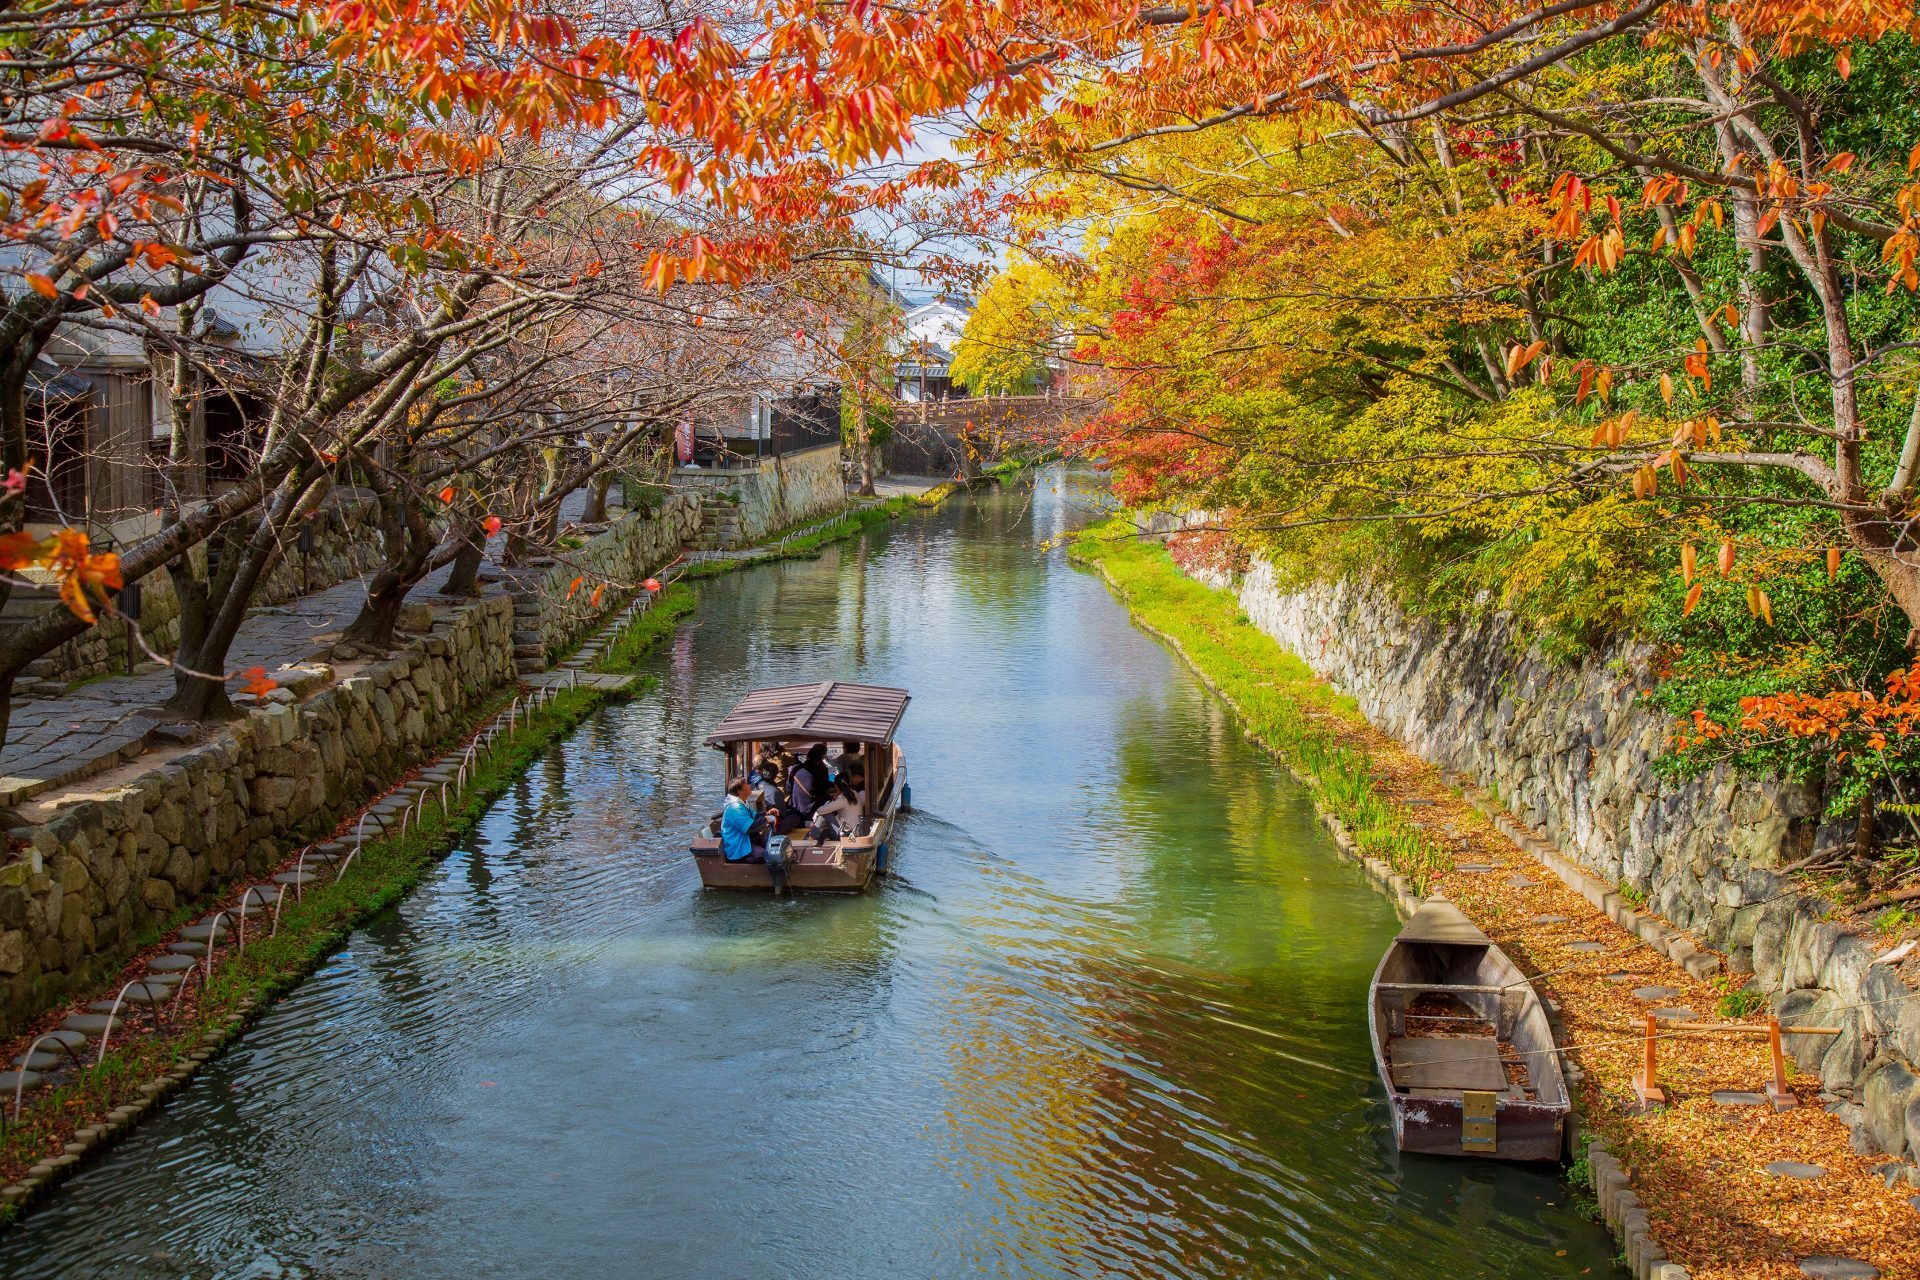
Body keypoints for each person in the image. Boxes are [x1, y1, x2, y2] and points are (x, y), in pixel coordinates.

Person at [809, 771, 865, 841]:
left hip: (847, 834)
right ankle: (812, 840)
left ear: (836, 787)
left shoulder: (843, 799)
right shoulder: (854, 794)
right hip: (855, 831)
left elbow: (821, 810)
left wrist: (834, 800)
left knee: (825, 815)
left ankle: (810, 840)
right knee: (822, 831)